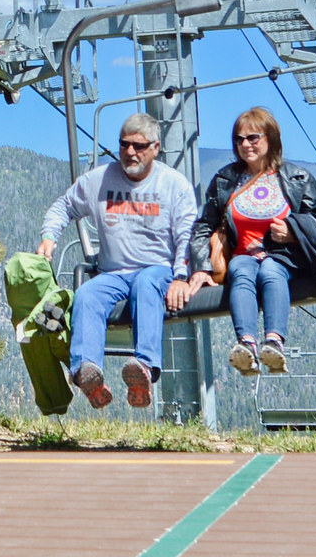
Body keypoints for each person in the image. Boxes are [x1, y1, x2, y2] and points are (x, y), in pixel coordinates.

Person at [36, 113, 201, 410]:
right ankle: (86, 370)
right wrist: (49, 236)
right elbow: (64, 206)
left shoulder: (174, 186)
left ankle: (145, 366)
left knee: (146, 284)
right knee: (87, 294)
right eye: (125, 145)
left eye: (139, 146)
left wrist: (180, 276)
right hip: (113, 272)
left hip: (156, 268)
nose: (130, 152)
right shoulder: (100, 180)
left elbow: (186, 235)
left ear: (155, 147)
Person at [195, 107, 316, 376]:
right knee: (240, 270)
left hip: (285, 256)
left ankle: (274, 341)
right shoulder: (225, 181)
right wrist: (201, 267)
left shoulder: (296, 179)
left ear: (271, 139)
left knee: (271, 270)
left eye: (253, 138)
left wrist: (293, 233)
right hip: (243, 254)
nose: (245, 145)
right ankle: (247, 344)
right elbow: (204, 225)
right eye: (239, 139)